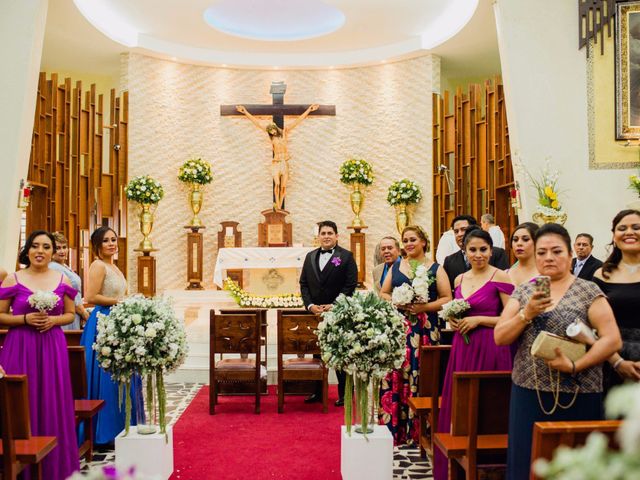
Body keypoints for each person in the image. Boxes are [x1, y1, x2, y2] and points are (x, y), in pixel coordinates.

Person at [495, 223, 621, 480]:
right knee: (526, 461)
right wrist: (526, 314)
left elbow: (612, 340)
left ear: (570, 255)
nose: (548, 258)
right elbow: (500, 336)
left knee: (577, 467)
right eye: (541, 252)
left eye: (556, 251)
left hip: (580, 391)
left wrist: (577, 365)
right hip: (529, 390)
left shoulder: (588, 291)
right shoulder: (526, 291)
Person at [433, 228, 514, 480]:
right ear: (465, 252)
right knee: (462, 402)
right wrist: (455, 321)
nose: (478, 254)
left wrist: (479, 319)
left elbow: (511, 317)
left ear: (491, 250)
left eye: (483, 249)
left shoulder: (501, 276)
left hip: (492, 345)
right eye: (473, 250)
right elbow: (456, 311)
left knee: (489, 403)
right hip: (463, 346)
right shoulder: (459, 279)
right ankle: (458, 463)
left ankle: (489, 465)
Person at [0, 230, 79, 479]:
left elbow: (69, 314)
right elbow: (0, 315)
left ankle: (55, 465)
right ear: (27, 250)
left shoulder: (62, 279)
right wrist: (24, 318)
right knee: (20, 401)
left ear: (52, 251)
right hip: (19, 346)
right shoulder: (13, 279)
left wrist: (53, 321)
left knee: (51, 398)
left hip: (51, 347)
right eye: (35, 246)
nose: (40, 251)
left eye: (46, 247)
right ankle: (17, 465)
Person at [379, 225, 452, 445]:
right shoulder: (397, 266)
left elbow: (447, 297)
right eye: (406, 240)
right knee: (397, 373)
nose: (409, 244)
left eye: (413, 239)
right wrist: (396, 300)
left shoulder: (436, 268)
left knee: (421, 375)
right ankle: (396, 429)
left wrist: (425, 307)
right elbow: (383, 292)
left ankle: (420, 431)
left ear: (423, 242)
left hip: (425, 329)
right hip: (399, 329)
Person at [81, 226, 142, 444]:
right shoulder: (98, 265)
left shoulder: (113, 266)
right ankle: (103, 431)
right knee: (107, 376)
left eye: (113, 239)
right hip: (102, 323)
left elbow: (118, 294)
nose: (111, 243)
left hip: (117, 321)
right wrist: (121, 302)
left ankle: (122, 424)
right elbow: (91, 296)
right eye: (106, 240)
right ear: (97, 245)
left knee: (121, 374)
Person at [299, 220, 358, 406]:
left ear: (336, 236)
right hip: (315, 314)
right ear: (318, 236)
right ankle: (317, 392)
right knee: (317, 353)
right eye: (323, 233)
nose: (326, 236)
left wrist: (335, 305)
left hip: (338, 312)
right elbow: (304, 284)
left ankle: (345, 394)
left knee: (341, 353)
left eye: (329, 233)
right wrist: (310, 306)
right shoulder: (310, 257)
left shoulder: (346, 256)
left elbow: (350, 284)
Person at [236, 103, 319, 210]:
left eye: (273, 129)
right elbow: (257, 123)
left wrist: (309, 110)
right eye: (270, 131)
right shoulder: (272, 138)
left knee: (283, 186)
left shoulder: (285, 132)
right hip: (276, 163)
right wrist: (245, 112)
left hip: (284, 162)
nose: (272, 132)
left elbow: (297, 121)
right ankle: (278, 207)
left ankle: (279, 208)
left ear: (275, 127)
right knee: (277, 184)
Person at [592, 209, 640, 391]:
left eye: (636, 227)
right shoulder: (602, 275)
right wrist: (617, 362)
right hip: (612, 358)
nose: (629, 232)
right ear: (614, 236)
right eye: (622, 228)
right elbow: (592, 326)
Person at [443, 215, 509, 289]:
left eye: (463, 229)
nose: (459, 234)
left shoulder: (497, 254)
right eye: (456, 231)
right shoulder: (449, 261)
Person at [49, 231, 90, 329]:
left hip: (75, 313)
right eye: (58, 248)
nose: (62, 251)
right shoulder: (54, 267)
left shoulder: (64, 266)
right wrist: (84, 314)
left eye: (64, 247)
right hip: (65, 313)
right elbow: (66, 294)